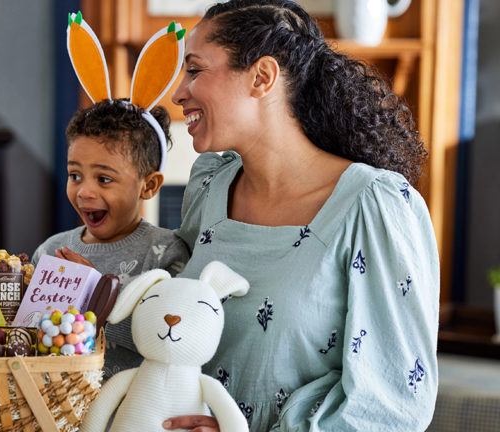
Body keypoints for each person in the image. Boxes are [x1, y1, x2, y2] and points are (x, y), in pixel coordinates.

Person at [162, 1, 439, 431]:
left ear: (262, 77)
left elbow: (393, 405)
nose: (179, 92)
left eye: (195, 70)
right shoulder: (208, 185)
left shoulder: (372, 205)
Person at [32, 99, 189, 378]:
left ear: (148, 185)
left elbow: (172, 343)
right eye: (75, 175)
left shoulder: (165, 254)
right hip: (59, 412)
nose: (84, 192)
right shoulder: (51, 251)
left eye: (104, 179)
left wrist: (97, 296)